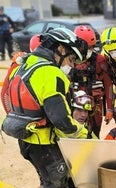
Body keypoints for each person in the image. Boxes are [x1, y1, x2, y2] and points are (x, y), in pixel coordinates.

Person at [1, 27, 88, 188]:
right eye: (71, 59)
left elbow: (6, 97)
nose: (72, 65)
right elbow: (61, 120)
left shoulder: (24, 65)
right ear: (61, 49)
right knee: (56, 183)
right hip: (44, 144)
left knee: (47, 180)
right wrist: (83, 133)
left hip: (26, 142)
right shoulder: (50, 73)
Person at [73, 25, 113, 138]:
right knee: (76, 135)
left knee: (94, 135)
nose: (90, 51)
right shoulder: (69, 60)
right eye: (88, 47)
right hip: (76, 107)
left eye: (92, 47)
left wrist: (110, 108)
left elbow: (108, 85)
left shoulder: (100, 60)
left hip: (96, 109)